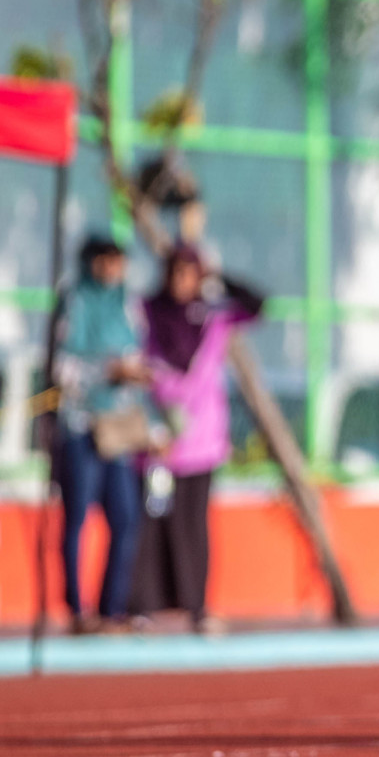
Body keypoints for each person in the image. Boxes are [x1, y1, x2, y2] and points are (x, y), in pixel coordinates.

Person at [129, 245, 263, 634]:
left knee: (193, 526)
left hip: (201, 443)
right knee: (150, 523)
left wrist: (217, 278)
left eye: (190, 274)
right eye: (175, 273)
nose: (181, 282)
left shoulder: (213, 317)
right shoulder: (147, 312)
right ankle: (143, 607)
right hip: (157, 446)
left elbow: (257, 304)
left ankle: (196, 606)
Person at [53, 234, 152, 634]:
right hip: (79, 424)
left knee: (126, 517)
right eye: (106, 261)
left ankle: (113, 609)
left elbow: (139, 354)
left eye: (118, 262)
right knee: (77, 516)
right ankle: (78, 610)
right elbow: (61, 367)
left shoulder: (127, 303)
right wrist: (104, 372)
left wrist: (136, 378)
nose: (113, 270)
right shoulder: (74, 299)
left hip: (118, 428)